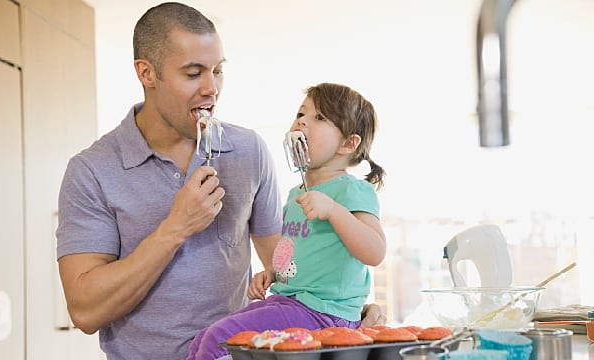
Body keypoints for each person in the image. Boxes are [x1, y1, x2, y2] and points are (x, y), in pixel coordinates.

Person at [56, 3, 385, 359]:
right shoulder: (92, 171)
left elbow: (292, 257)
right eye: (193, 73)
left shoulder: (248, 150)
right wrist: (175, 228)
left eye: (218, 71)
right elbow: (85, 312)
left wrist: (344, 311)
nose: (212, 89)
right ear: (146, 73)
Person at [187, 82, 387, 360]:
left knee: (219, 340)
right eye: (300, 114)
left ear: (348, 143)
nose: (302, 121)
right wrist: (272, 273)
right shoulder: (296, 194)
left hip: (324, 314)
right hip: (290, 302)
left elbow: (375, 251)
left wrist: (333, 211)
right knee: (202, 340)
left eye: (319, 118)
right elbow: (297, 254)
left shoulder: (352, 191)